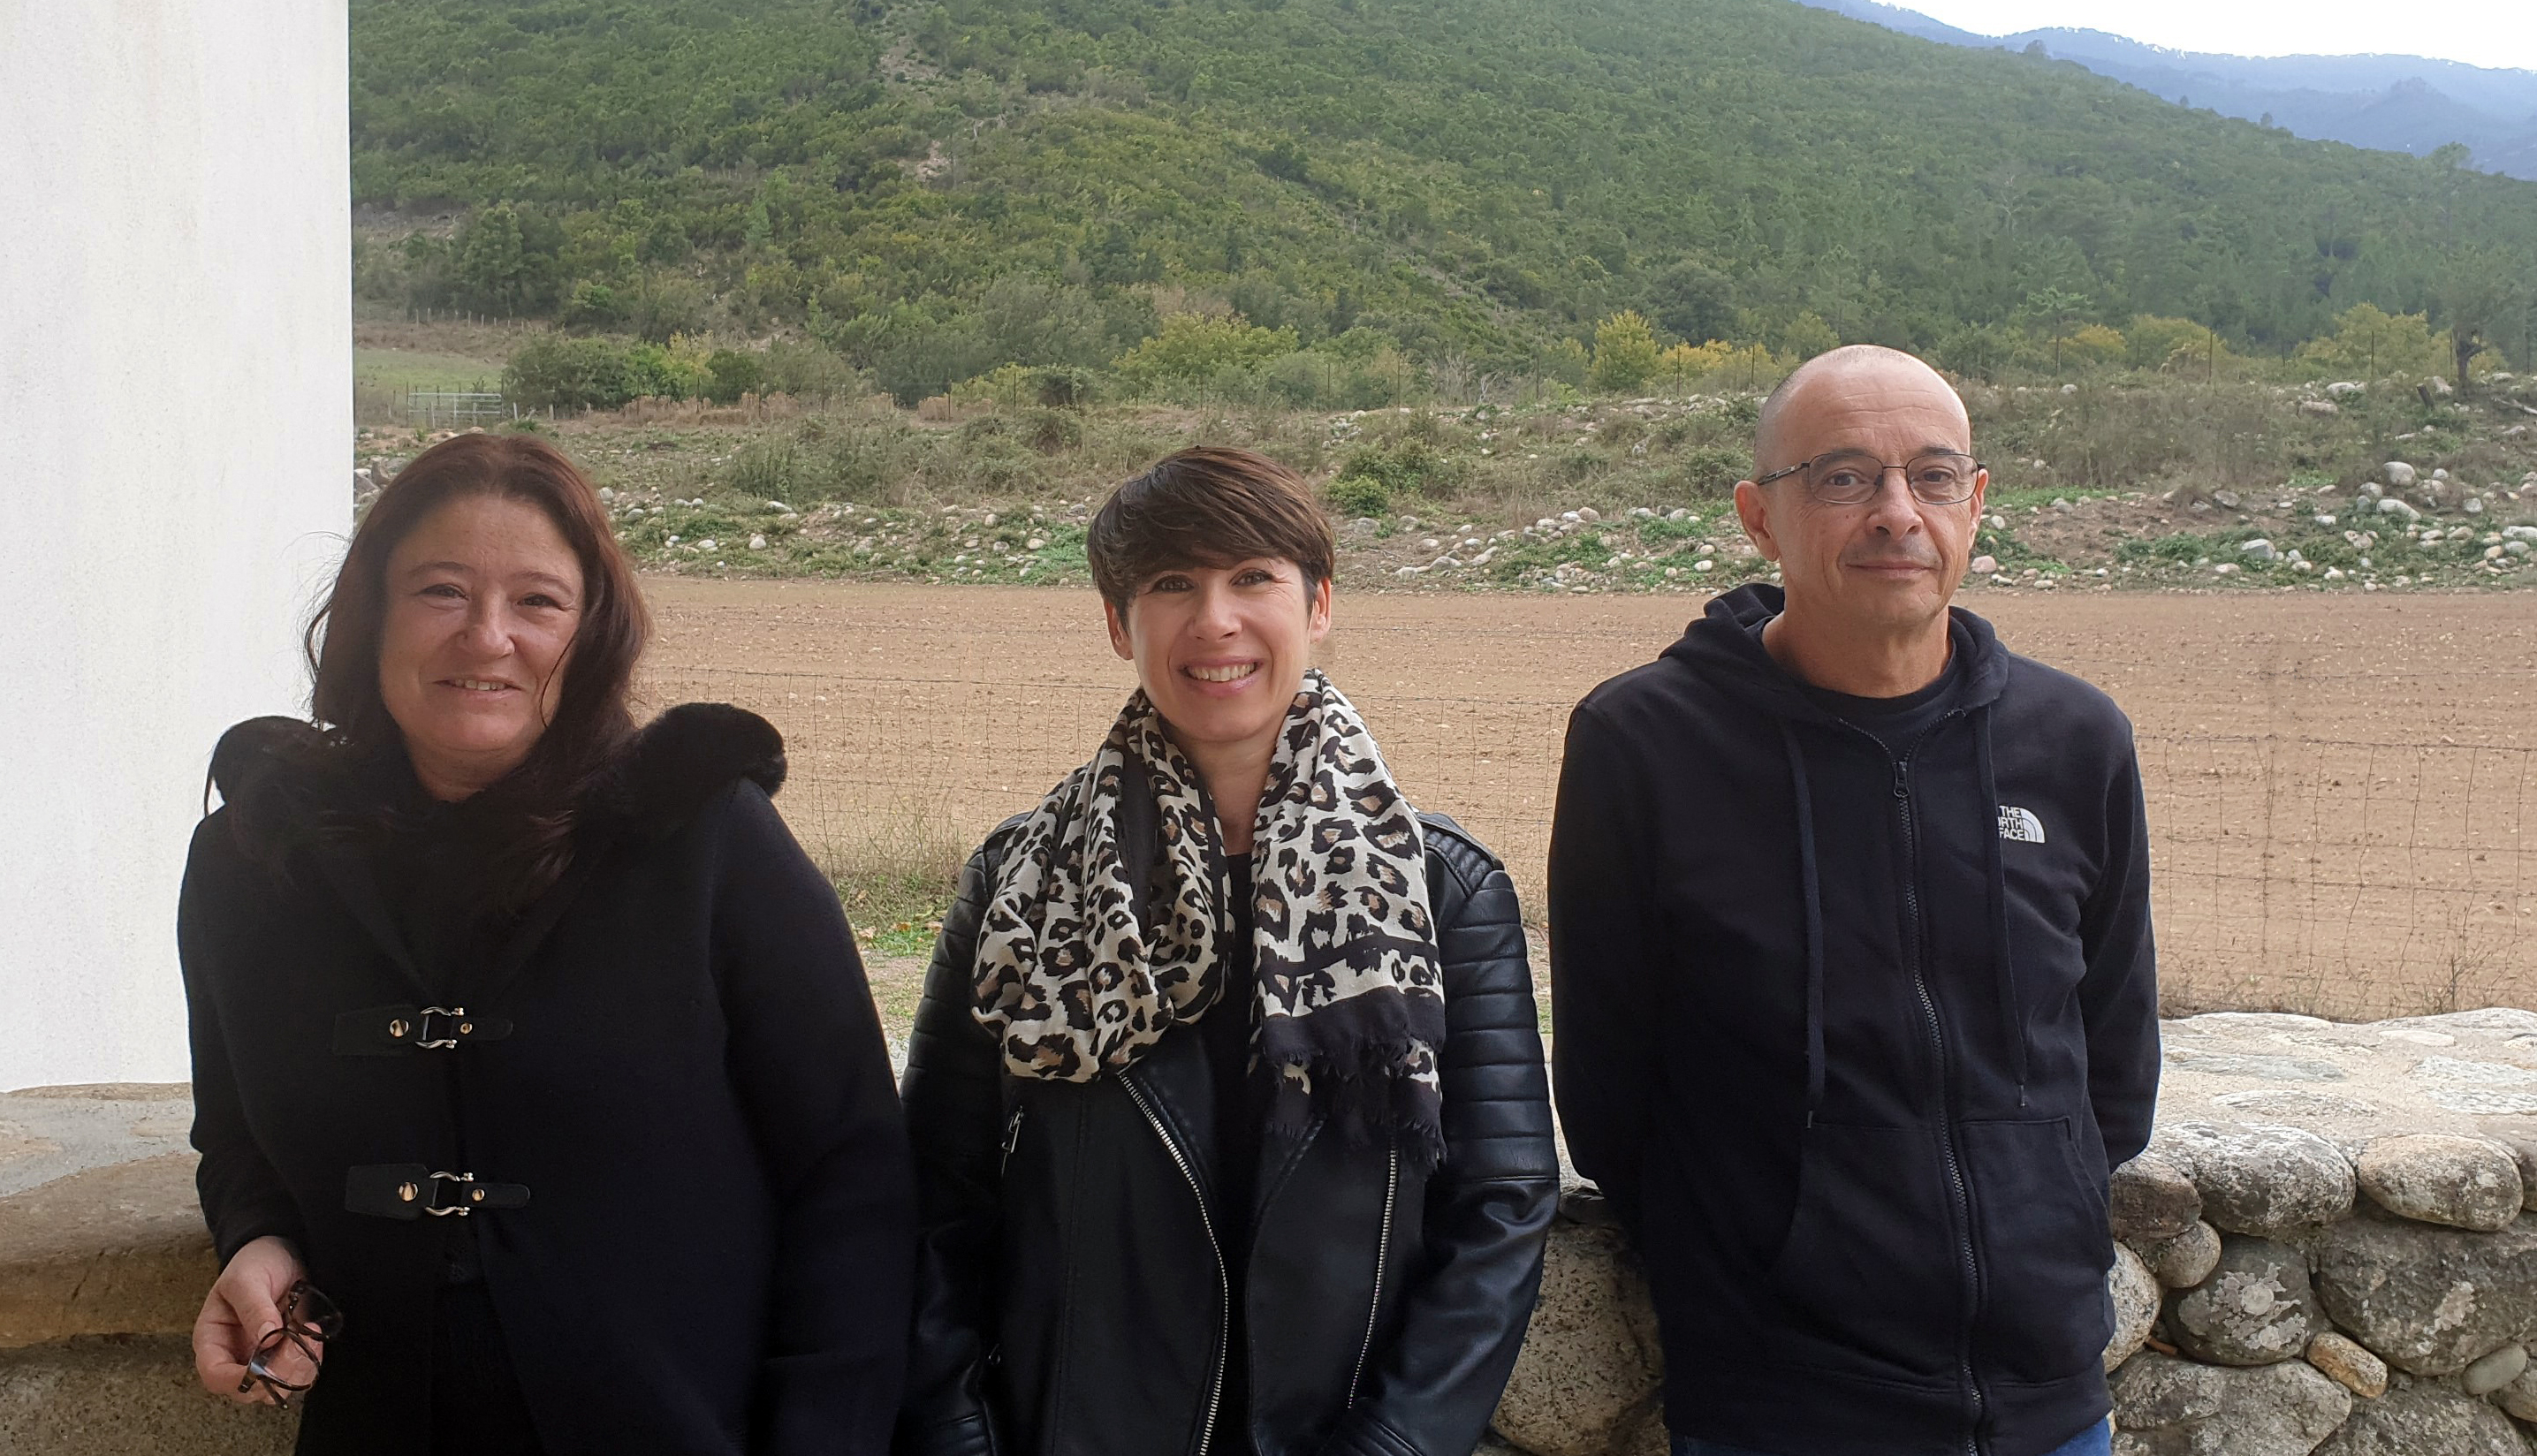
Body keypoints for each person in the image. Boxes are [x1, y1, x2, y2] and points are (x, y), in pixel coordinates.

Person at [181, 433, 913, 1455]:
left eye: (537, 601)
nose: (487, 638)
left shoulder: (703, 837)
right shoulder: (253, 861)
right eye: (441, 591)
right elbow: (235, 1130)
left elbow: (853, 1168)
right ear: (371, 616)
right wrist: (257, 1238)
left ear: (590, 635)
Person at [1550, 346, 2160, 1456]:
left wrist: (2041, 1213)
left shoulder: (2076, 742)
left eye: (1931, 477)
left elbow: (2114, 1066)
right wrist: (1773, 1254)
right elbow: (1607, 1088)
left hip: (2049, 1403)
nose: (1896, 513)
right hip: (1778, 1410)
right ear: (1758, 517)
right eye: (1842, 477)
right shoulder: (1643, 746)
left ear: (1975, 504)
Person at [896, 447, 1558, 1456]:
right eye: (1172, 584)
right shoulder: (1018, 885)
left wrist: (1394, 1443)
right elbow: (937, 1194)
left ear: (1318, 604)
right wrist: (955, 1429)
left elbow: (1502, 1200)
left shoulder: (1444, 889)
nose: (1215, 619)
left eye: (1253, 577)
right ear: (1120, 624)